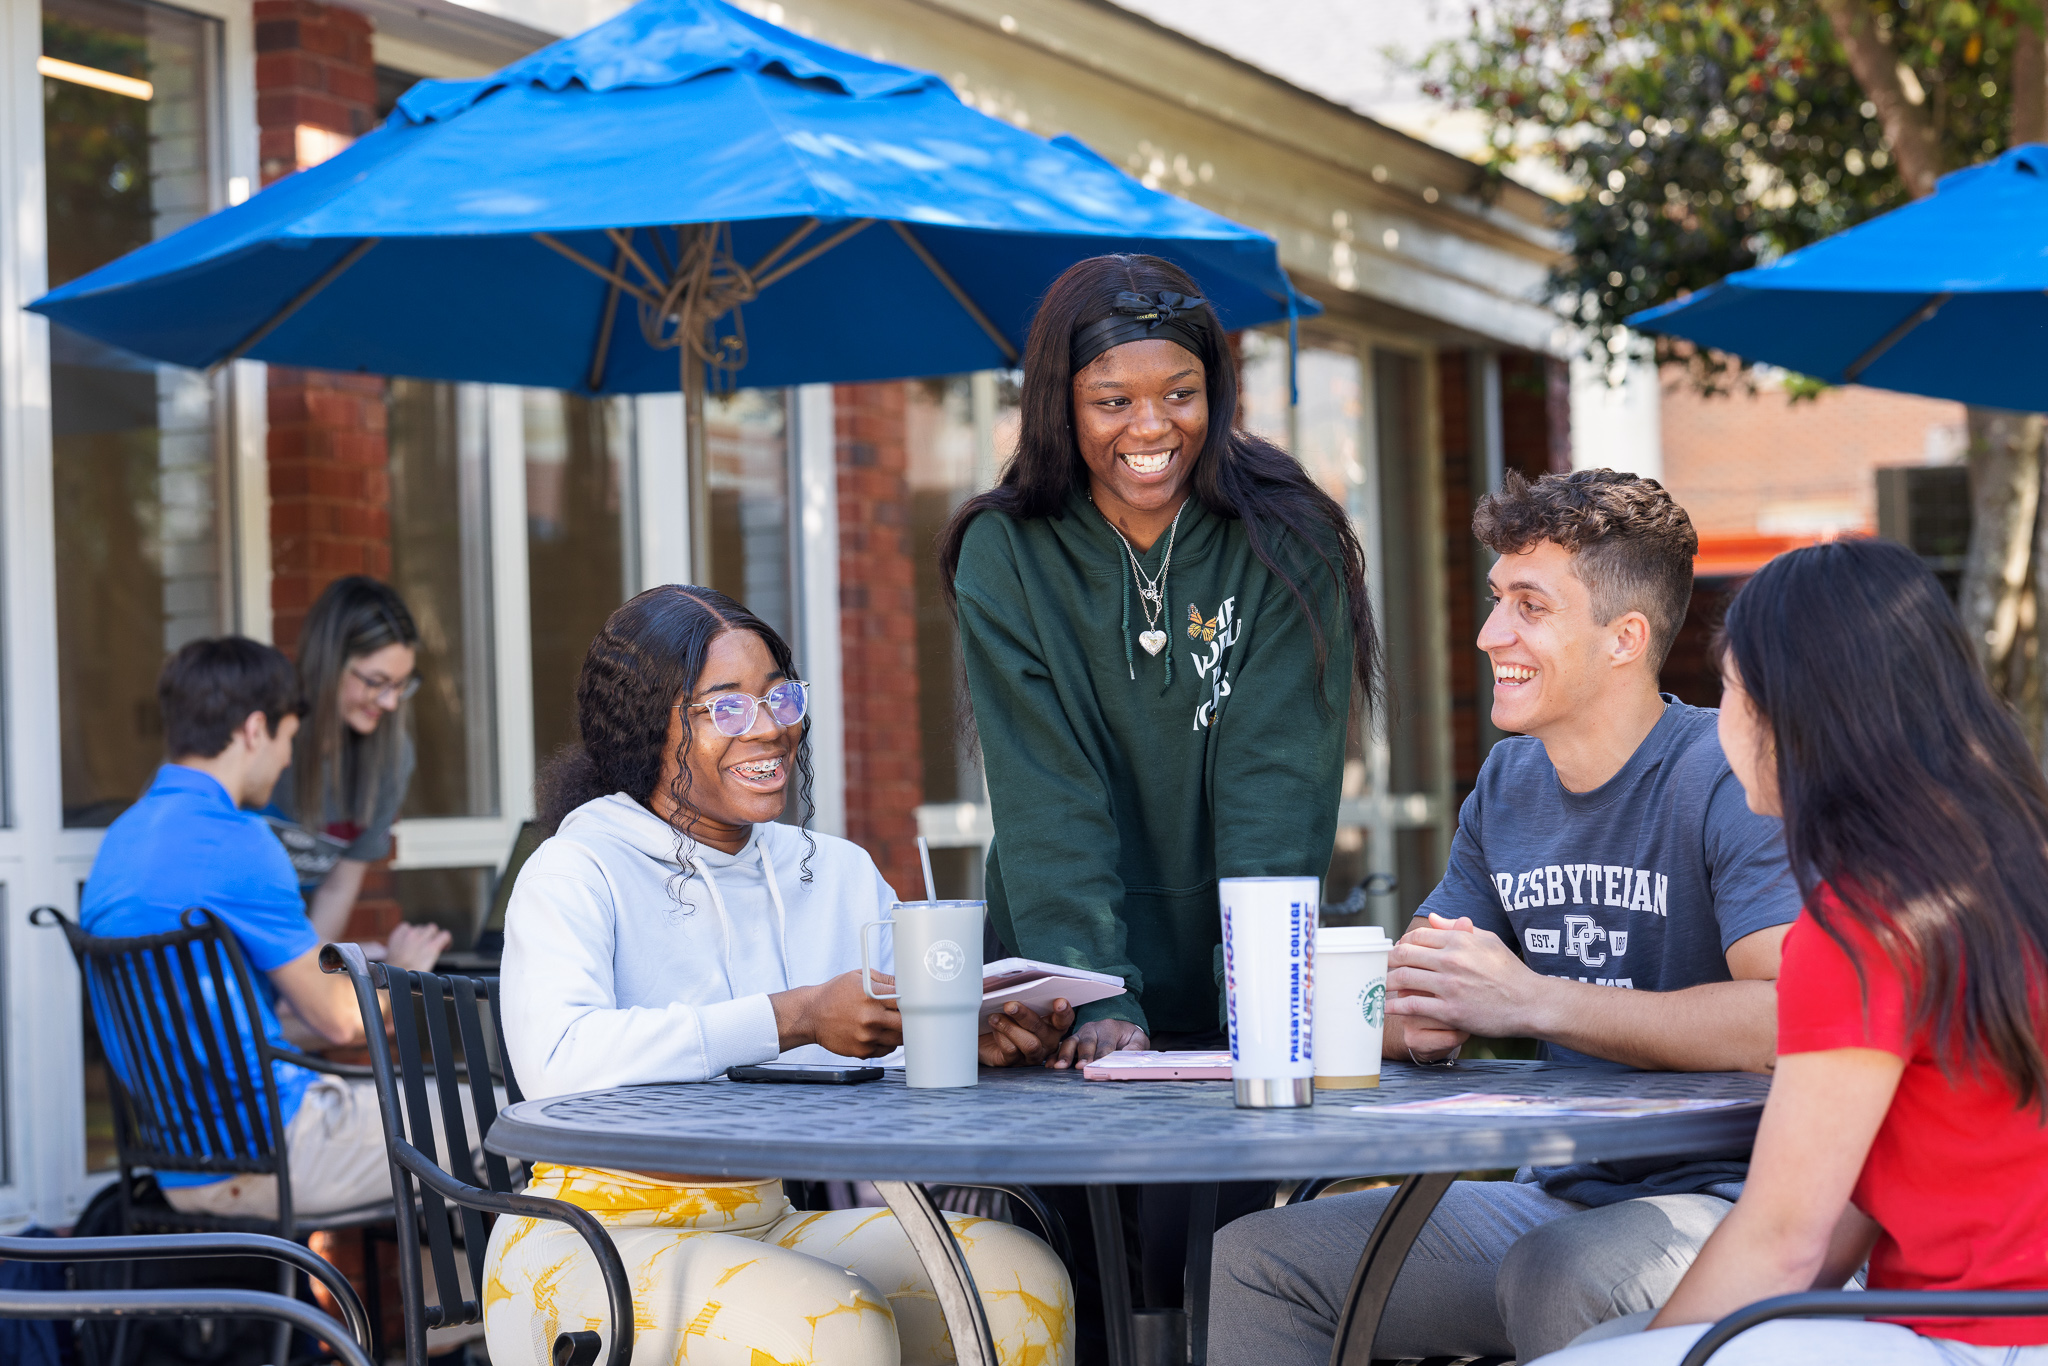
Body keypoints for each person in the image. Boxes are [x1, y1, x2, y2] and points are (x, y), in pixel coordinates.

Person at [1209, 469, 1802, 1364]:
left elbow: (1786, 1016)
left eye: (1530, 606)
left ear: (1623, 639)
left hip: (1731, 1205)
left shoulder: (1724, 773)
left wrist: (1529, 1000)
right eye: (1496, 601)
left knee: (1558, 1271)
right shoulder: (1509, 782)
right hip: (1557, 1189)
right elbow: (1421, 992)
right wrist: (1410, 1013)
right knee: (1258, 1259)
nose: (1491, 635)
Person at [938, 253, 1380, 1330]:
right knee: (1077, 1297)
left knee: (1225, 1284)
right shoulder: (1005, 551)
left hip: (1238, 996)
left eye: (1180, 393)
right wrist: (1098, 997)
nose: (1151, 427)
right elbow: (1047, 788)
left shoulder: (1286, 536)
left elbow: (1277, 788)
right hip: (1060, 983)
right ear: (1059, 402)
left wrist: (1255, 1008)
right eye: (1111, 401)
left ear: (1216, 390)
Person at [483, 584, 1073, 1366]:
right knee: (837, 1326)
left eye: (779, 698)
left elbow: (888, 1033)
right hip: (586, 1239)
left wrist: (971, 1036)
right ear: (645, 729)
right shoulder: (575, 869)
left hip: (761, 1216)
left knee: (1015, 1279)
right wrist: (790, 1016)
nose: (769, 729)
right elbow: (558, 1067)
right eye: (725, 707)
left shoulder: (833, 872)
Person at [1533, 537, 2048, 1364]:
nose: (1719, 722)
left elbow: (1782, 1242)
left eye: (1730, 691)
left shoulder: (1865, 928)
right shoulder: (2005, 873)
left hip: (1965, 1341)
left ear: (1793, 715)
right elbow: (1852, 1210)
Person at [80, 637, 451, 1219]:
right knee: (500, 1116)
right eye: (286, 739)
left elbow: (224, 1031)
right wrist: (400, 971)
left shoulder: (118, 846)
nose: (284, 761)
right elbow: (341, 1021)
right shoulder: (240, 840)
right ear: (255, 729)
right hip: (274, 1150)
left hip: (178, 1164)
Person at [268, 575, 427, 947]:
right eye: (376, 681)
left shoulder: (392, 756)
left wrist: (314, 973)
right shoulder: (260, 734)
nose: (390, 703)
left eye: (401, 684)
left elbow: (338, 889)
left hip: (287, 967)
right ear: (330, 662)